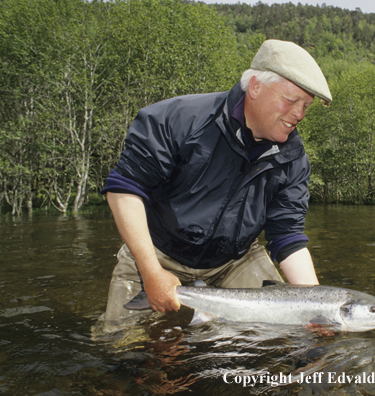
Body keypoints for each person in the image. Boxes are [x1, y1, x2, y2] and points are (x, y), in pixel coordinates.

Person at [99, 39, 332, 329]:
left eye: (306, 106)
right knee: (122, 348)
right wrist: (150, 271)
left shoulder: (294, 159)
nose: (299, 114)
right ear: (256, 87)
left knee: (279, 342)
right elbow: (125, 190)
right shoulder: (177, 119)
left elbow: (287, 236)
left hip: (235, 261)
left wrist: (317, 306)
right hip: (156, 252)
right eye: (291, 100)